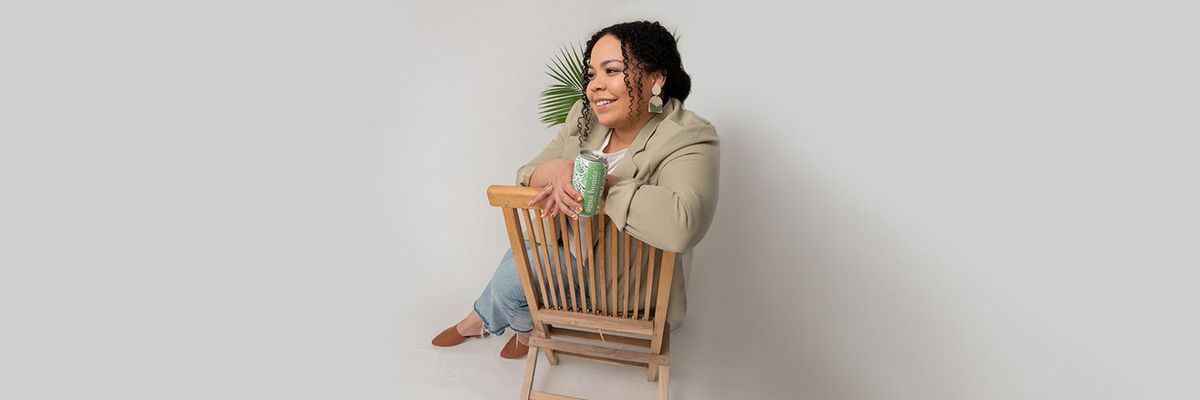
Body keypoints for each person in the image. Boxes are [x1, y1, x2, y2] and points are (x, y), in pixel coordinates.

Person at [431, 20, 719, 359]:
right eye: (591, 74)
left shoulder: (689, 135)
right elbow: (525, 176)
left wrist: (599, 184)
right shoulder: (585, 117)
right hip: (566, 259)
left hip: (627, 287)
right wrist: (556, 169)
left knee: (514, 275)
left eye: (611, 70)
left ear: (656, 78)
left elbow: (683, 223)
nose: (595, 86)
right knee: (523, 252)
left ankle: (495, 323)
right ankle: (509, 327)